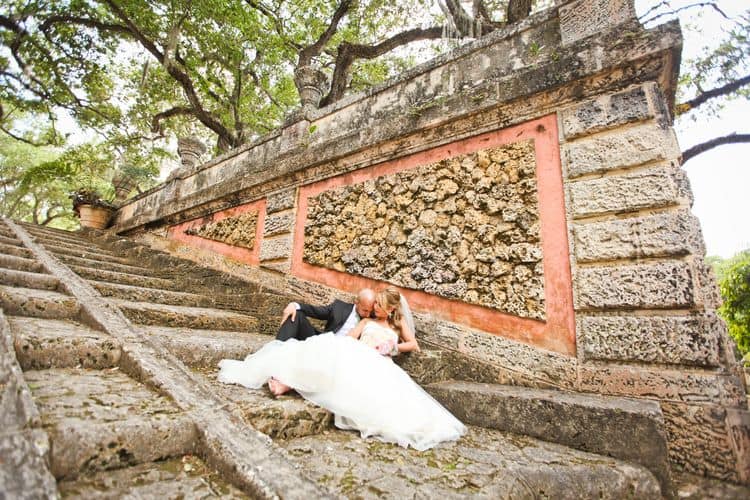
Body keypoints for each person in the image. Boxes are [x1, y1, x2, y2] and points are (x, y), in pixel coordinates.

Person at [218, 287, 466, 451]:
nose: (374, 309)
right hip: (358, 352)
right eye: (373, 305)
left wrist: (391, 348)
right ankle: (287, 381)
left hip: (381, 362)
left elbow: (413, 345)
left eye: (379, 305)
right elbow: (351, 339)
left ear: (390, 309)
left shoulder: (397, 324)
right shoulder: (366, 321)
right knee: (334, 351)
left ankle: (289, 381)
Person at [275, 288, 375, 341]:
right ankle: (276, 351)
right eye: (365, 310)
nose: (367, 314)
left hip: (342, 356)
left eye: (370, 311)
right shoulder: (339, 307)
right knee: (297, 314)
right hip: (323, 343)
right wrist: (294, 305)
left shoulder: (371, 320)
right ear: (357, 302)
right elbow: (316, 311)